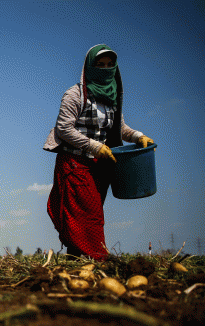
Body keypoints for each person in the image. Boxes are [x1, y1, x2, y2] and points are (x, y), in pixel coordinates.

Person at [43, 45, 154, 261]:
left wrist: (139, 136)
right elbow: (64, 129)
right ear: (89, 67)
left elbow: (120, 128)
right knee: (88, 213)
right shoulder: (75, 95)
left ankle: (77, 257)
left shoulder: (111, 97)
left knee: (90, 213)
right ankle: (98, 256)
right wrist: (94, 146)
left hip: (99, 165)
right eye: (100, 65)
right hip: (75, 162)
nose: (105, 69)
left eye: (109, 65)